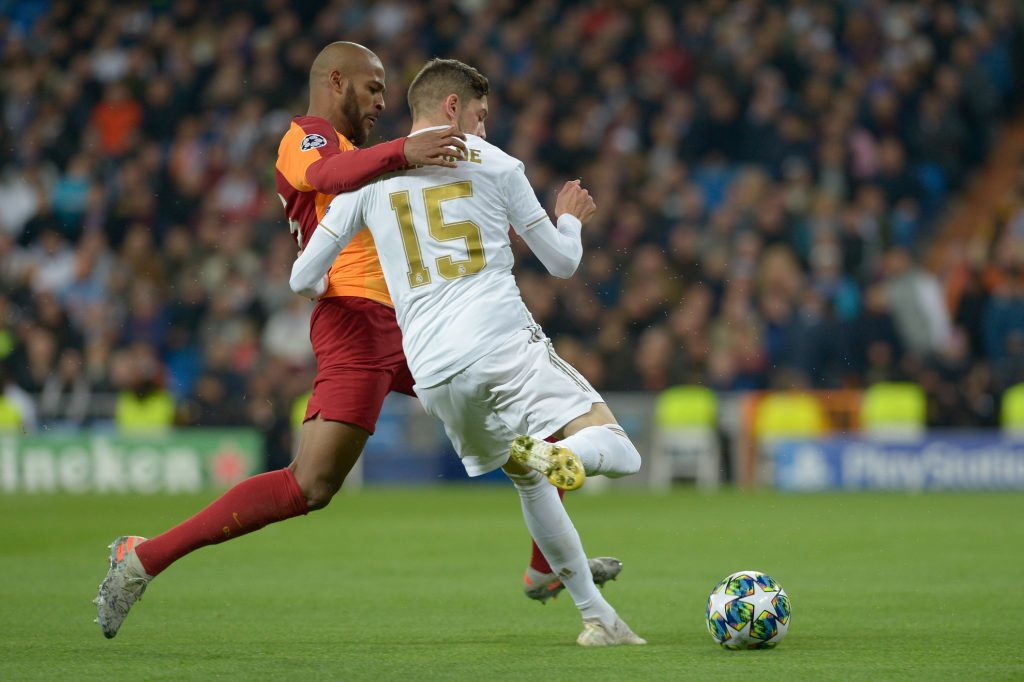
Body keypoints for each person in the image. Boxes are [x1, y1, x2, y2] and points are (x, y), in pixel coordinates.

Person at [94, 43, 617, 640]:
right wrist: (401, 151)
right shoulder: (307, 137)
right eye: (372, 90)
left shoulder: (369, 157)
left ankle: (545, 567)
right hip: (355, 323)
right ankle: (141, 557)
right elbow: (326, 178)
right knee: (310, 485)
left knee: (542, 424)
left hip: (422, 322)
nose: (381, 103)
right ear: (335, 80)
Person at [290, 58, 644, 646]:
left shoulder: (369, 178)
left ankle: (598, 620)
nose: (482, 130)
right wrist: (570, 219)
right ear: (452, 108)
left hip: (433, 374)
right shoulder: (497, 163)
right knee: (619, 449)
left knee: (528, 483)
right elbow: (561, 263)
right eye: (479, 116)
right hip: (500, 340)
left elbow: (304, 277)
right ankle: (559, 453)